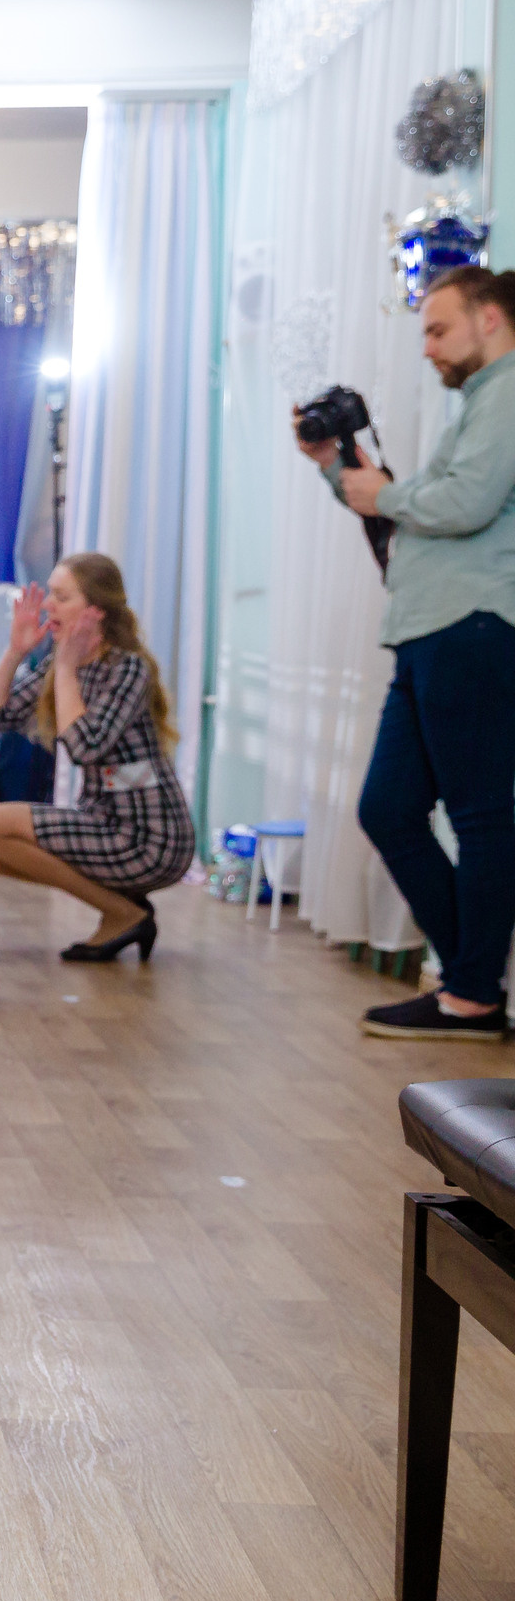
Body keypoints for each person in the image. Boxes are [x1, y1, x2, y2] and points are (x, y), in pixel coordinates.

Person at [303, 263, 515, 1039]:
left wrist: (385, 492)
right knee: (388, 808)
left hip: (473, 623)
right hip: (431, 627)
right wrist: (337, 468)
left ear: (490, 319)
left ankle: (471, 994)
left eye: (438, 329)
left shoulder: (509, 392)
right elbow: (416, 510)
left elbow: (464, 503)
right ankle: (472, 983)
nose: (427, 348)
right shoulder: (481, 405)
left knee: (481, 815)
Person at [0, 554, 196, 962]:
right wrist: (16, 652)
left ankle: (122, 913)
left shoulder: (127, 668)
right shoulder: (63, 664)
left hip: (149, 837)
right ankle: (123, 908)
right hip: (103, 819)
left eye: (61, 596)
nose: (47, 605)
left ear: (96, 610)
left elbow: (84, 746)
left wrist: (67, 669)